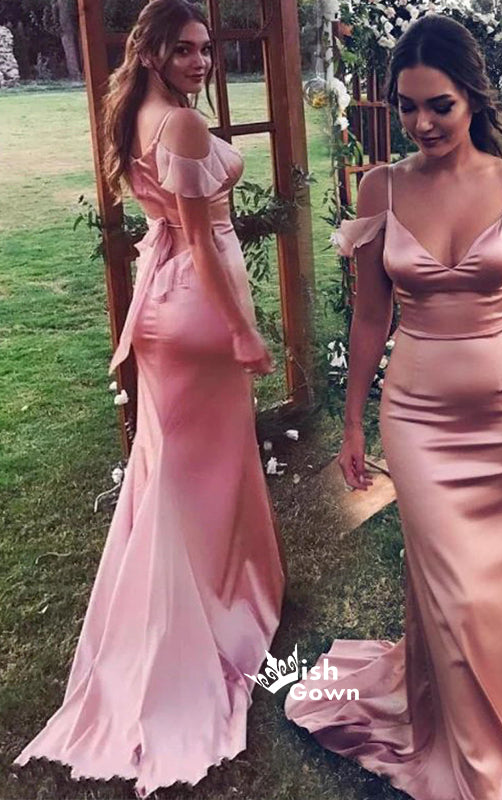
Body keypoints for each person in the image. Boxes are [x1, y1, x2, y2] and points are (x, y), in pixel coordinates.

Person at [284, 14, 502, 800]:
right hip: (416, 417)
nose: (421, 122)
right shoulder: (380, 189)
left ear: (472, 97)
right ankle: (478, 767)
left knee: (489, 592)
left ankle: (460, 715)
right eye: (407, 106)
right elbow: (369, 318)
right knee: (449, 583)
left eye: (439, 105)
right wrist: (351, 422)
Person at [13, 1, 285, 797]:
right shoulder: (183, 126)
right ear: (155, 51)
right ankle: (199, 619)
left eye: (206, 48)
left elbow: (175, 226)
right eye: (186, 49)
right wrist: (244, 332)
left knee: (175, 471)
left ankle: (193, 601)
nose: (202, 60)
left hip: (165, 303)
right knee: (202, 475)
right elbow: (200, 238)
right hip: (199, 308)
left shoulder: (140, 113)